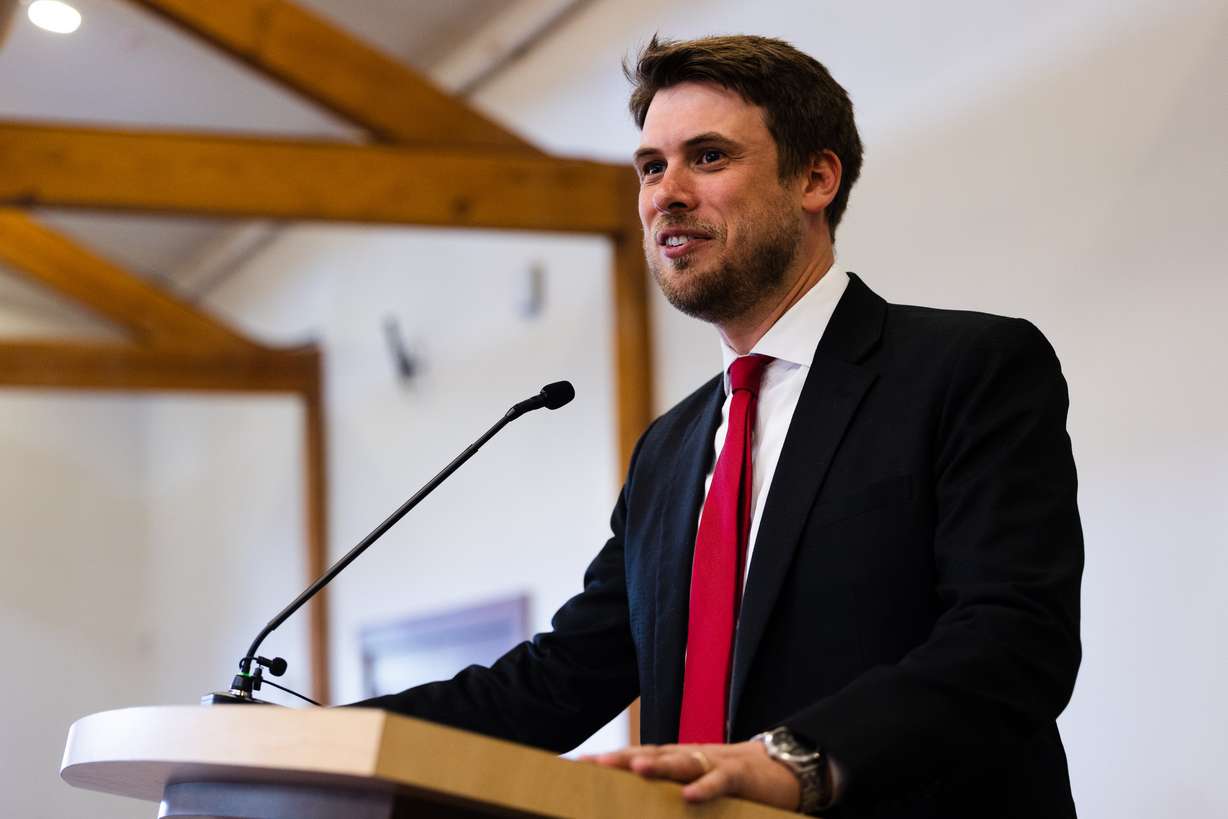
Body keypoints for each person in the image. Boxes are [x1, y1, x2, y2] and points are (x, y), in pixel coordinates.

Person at [354, 35, 1083, 818]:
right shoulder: (669, 449)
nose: (666, 192)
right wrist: (320, 736)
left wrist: (795, 759)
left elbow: (1013, 640)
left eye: (706, 157)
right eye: (650, 166)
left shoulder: (967, 369)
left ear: (815, 177)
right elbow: (562, 677)